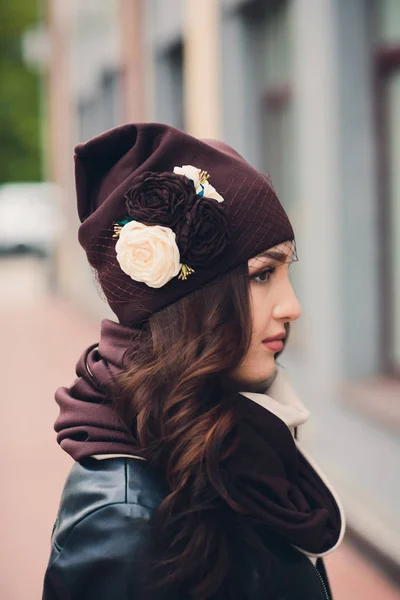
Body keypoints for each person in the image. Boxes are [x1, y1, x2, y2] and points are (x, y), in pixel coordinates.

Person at [41, 123, 346, 600]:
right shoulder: (125, 523)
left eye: (286, 271)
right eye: (263, 274)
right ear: (189, 301)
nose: (292, 306)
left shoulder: (234, 435)